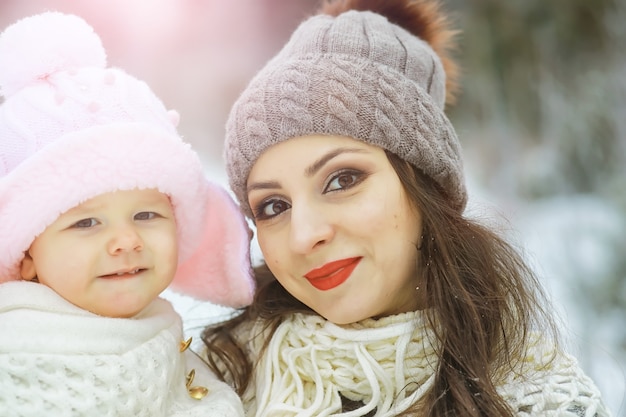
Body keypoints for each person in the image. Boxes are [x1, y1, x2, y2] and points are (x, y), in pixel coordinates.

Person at [201, 0, 612, 416]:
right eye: (273, 206)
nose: (305, 235)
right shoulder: (211, 383)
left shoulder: (541, 400)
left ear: (424, 183)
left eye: (342, 180)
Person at [0, 12, 255, 417]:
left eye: (147, 216)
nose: (127, 240)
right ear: (26, 256)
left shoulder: (166, 336)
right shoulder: (19, 353)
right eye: (86, 222)